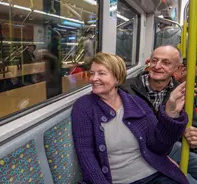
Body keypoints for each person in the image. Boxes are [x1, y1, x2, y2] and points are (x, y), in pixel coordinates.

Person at [72, 52, 188, 184]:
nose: (93, 78)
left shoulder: (136, 102)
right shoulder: (83, 106)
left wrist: (171, 113)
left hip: (154, 173)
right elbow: (86, 155)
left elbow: (159, 146)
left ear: (117, 77)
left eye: (101, 73)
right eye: (92, 73)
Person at [120, 45, 197, 183]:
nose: (157, 66)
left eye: (166, 62)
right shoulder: (125, 90)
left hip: (170, 146)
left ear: (177, 68)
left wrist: (193, 136)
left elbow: (192, 123)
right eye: (154, 60)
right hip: (139, 150)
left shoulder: (181, 93)